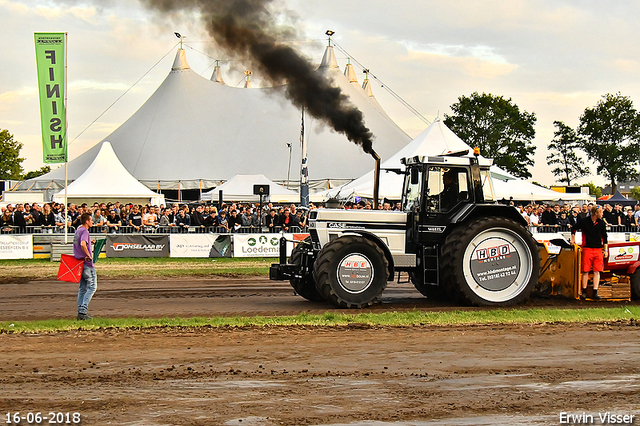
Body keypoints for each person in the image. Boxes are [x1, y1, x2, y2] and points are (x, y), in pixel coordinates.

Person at [570, 205, 608, 300]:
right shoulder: (584, 221)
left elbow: (605, 237)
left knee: (597, 271)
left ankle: (595, 291)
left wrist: (606, 250)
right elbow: (573, 228)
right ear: (596, 213)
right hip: (587, 249)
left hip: (598, 249)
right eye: (601, 212)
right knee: (585, 271)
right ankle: (584, 291)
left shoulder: (602, 223)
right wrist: (573, 239)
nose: (602, 214)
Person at [73, 213, 97, 320]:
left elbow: (81, 243)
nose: (92, 222)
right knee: (92, 287)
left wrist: (89, 242)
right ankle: (83, 311)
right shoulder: (85, 231)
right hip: (87, 263)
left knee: (82, 287)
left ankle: (80, 311)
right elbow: (83, 244)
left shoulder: (78, 230)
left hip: (79, 262)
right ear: (87, 221)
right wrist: (88, 255)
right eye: (91, 220)